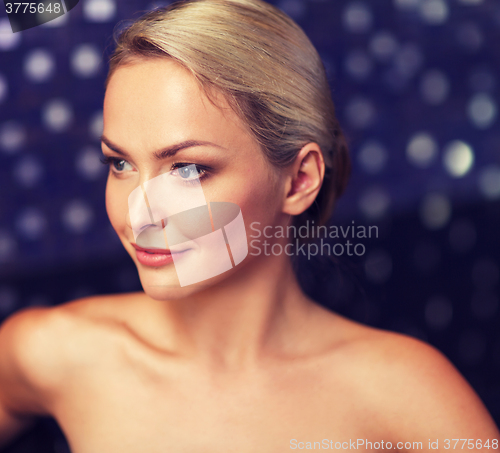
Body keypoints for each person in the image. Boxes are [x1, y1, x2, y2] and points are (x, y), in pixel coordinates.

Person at [0, 0, 498, 451]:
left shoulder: (403, 395)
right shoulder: (53, 352)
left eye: (189, 169)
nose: (139, 213)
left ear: (299, 180)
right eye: (120, 164)